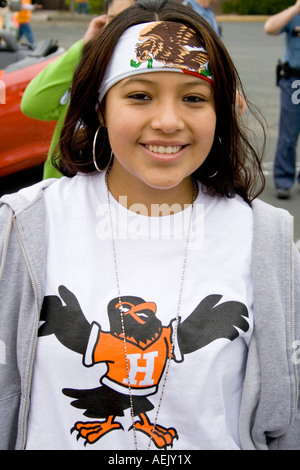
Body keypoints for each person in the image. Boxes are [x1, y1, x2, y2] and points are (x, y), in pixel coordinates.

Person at [0, 0, 299, 451]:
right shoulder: (25, 227)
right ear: (99, 107)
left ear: (219, 112)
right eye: (139, 95)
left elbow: (286, 416)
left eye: (194, 98)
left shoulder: (267, 239)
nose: (167, 121)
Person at [21, 0, 134, 179]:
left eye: (130, 21)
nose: (117, 29)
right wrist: (84, 46)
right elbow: (33, 104)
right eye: (113, 19)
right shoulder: (89, 72)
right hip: (60, 196)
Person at [264, 1, 300, 199]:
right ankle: (284, 180)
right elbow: (270, 27)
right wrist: (296, 8)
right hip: (296, 81)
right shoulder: (293, 15)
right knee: (289, 131)